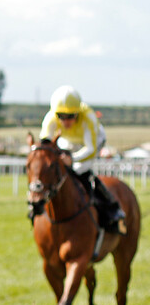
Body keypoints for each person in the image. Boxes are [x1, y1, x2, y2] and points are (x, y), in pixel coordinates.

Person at [39, 85, 126, 232]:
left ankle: (112, 208)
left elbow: (90, 150)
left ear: (78, 113)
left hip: (92, 142)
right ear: (55, 114)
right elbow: (45, 146)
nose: (66, 121)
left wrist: (72, 159)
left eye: (71, 116)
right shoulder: (50, 119)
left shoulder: (88, 118)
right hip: (69, 141)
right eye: (61, 116)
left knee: (79, 170)